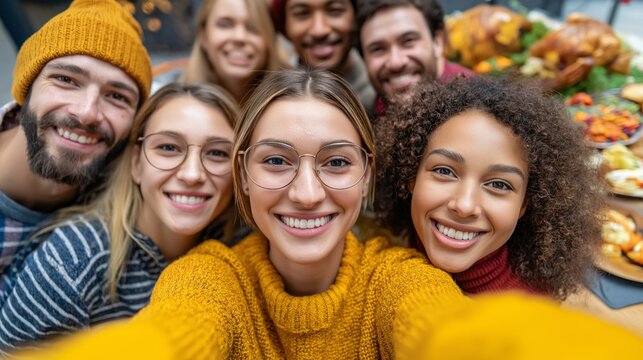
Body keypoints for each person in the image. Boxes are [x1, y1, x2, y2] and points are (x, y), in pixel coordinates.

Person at [12, 71, 643, 360]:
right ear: (242, 177)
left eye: (336, 163)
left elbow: (450, 335)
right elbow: (167, 338)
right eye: (277, 160)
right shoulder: (209, 279)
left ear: (369, 176)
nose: (308, 193)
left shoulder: (399, 279)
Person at [0, 82, 240, 353]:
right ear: (137, 164)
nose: (192, 174)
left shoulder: (239, 253)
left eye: (218, 153)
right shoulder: (72, 261)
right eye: (169, 148)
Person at [376, 76, 603, 299]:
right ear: (410, 176)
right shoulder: (384, 254)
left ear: (525, 204)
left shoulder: (524, 318)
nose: (464, 206)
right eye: (444, 171)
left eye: (498, 184)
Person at [0, 0, 151, 276]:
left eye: (117, 96)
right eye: (66, 80)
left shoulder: (128, 204)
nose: (87, 113)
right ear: (26, 89)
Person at [356, 0, 473, 117]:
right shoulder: (368, 113)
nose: (395, 62)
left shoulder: (476, 106)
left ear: (438, 42)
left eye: (408, 41)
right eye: (378, 49)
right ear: (364, 59)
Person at [270, 0, 376, 116]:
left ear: (356, 17)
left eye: (335, 10)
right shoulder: (273, 102)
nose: (319, 30)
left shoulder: (383, 91)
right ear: (284, 25)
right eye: (302, 13)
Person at [182, 0, 286, 104]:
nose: (239, 37)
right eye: (225, 25)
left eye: (254, 27)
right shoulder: (177, 104)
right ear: (203, 36)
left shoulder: (294, 99)